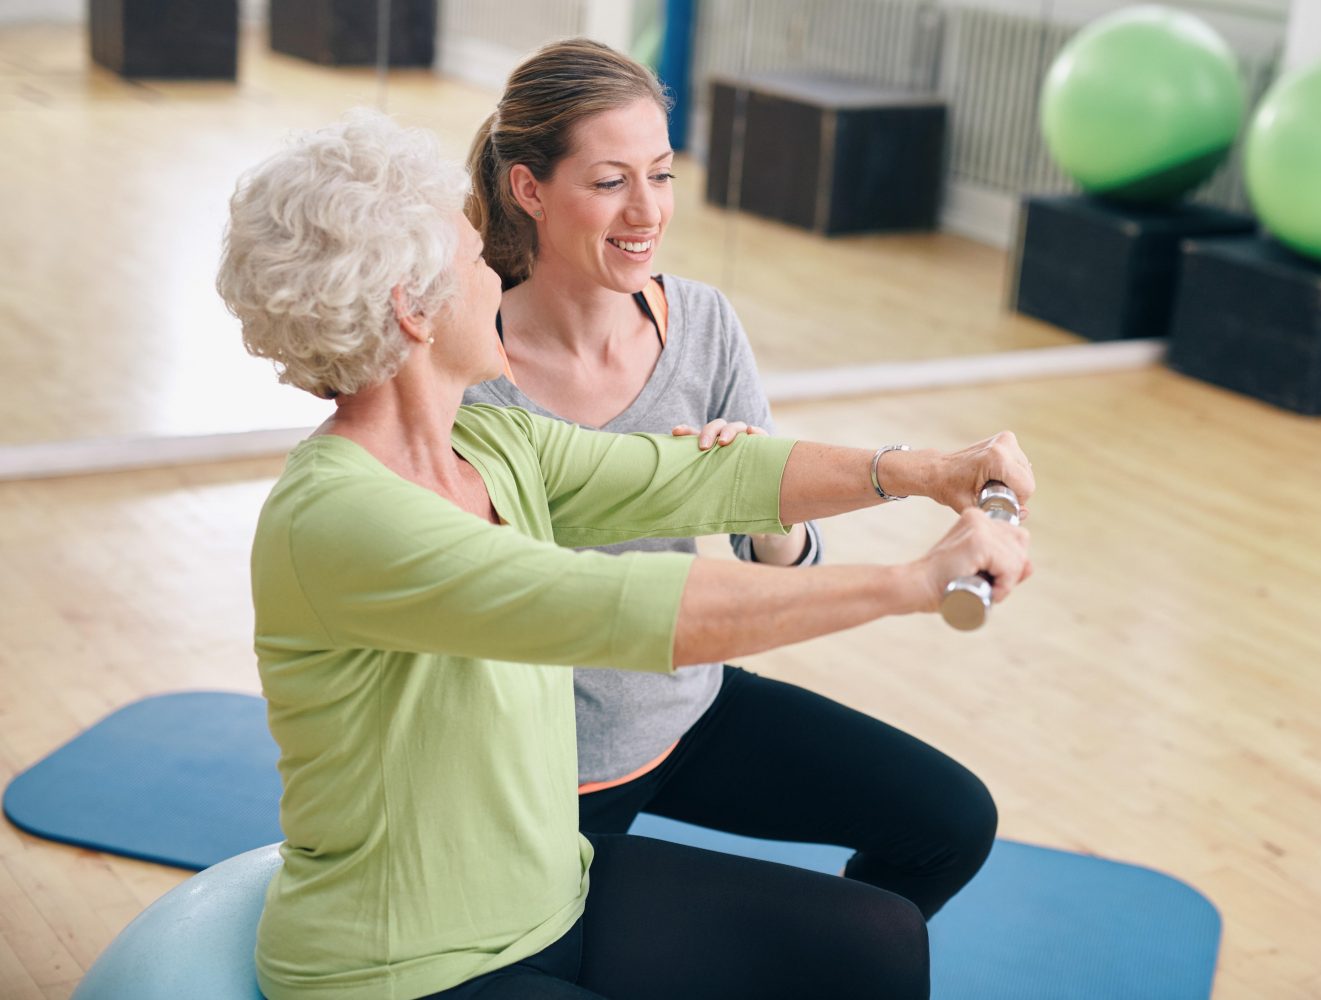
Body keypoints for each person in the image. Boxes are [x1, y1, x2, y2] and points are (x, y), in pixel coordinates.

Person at [217, 111, 1032, 1000]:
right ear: (412, 309)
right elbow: (612, 605)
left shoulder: (491, 443)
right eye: (478, 260)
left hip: (554, 893)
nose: (496, 275)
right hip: (408, 965)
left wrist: (932, 472)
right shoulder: (341, 518)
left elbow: (701, 474)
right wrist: (912, 582)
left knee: (876, 941)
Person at [465, 38, 999, 919]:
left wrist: (756, 490)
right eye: (610, 181)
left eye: (661, 174)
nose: (647, 210)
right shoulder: (470, 372)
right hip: (541, 764)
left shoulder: (703, 322)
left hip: (687, 710)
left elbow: (778, 565)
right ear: (530, 188)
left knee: (952, 821)